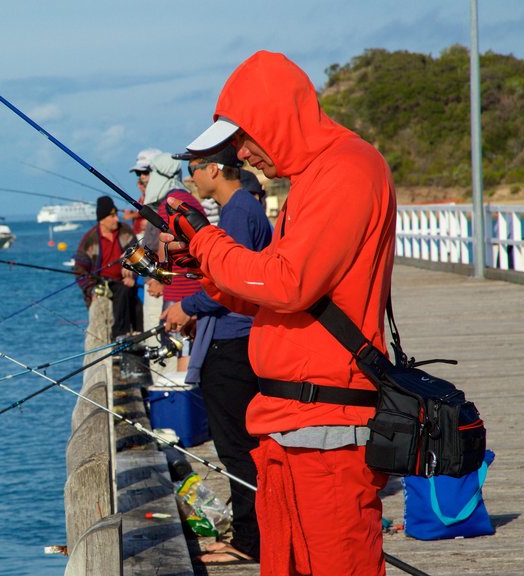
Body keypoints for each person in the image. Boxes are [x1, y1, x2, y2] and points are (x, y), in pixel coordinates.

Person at [162, 51, 397, 576]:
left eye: (244, 139)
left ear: (278, 120)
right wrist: (204, 263)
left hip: (326, 429)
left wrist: (206, 239)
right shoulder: (314, 178)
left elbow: (286, 284)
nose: (242, 156)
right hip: (291, 427)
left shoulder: (347, 169)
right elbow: (284, 294)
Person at [161, 145, 272, 564]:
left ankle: (250, 542)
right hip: (231, 338)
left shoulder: (238, 212)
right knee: (236, 445)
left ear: (214, 169)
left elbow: (235, 280)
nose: (190, 178)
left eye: (193, 169)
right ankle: (250, 534)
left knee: (237, 447)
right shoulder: (238, 210)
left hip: (235, 345)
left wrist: (186, 308)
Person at [140, 153, 205, 372]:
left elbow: (164, 246)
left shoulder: (167, 204)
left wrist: (158, 279)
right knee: (191, 349)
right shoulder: (191, 201)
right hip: (195, 288)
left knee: (181, 352)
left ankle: (183, 401)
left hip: (179, 293)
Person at [73, 196, 141, 338]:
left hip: (124, 282)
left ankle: (125, 336)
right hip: (101, 284)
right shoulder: (89, 239)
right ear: (102, 219)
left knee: (127, 293)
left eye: (116, 214)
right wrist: (91, 290)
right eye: (112, 216)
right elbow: (79, 271)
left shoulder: (125, 231)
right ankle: (118, 336)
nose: (116, 219)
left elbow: (139, 255)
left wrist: (132, 272)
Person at [122, 147, 162, 237]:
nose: (142, 177)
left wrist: (133, 216)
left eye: (145, 172)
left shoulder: (165, 194)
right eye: (138, 173)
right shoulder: (145, 195)